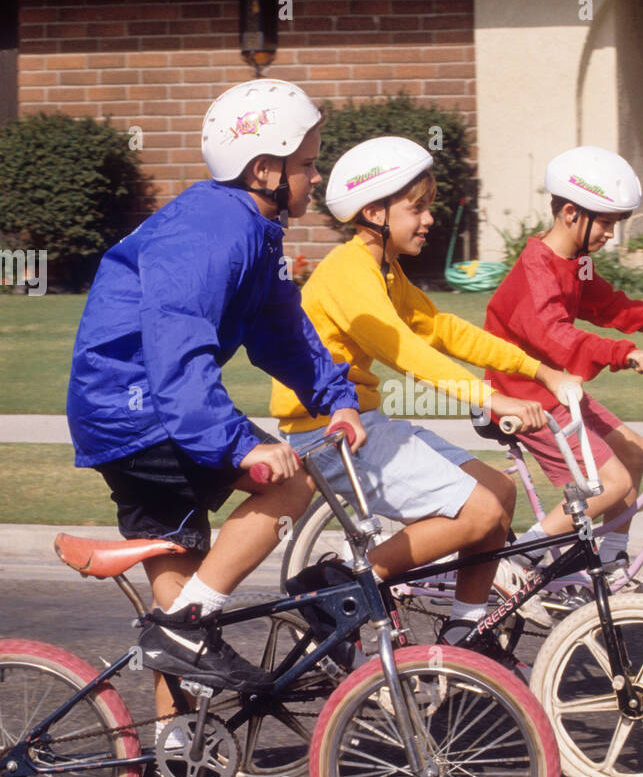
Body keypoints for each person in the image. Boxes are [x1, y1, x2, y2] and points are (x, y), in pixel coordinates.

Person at [66, 79, 366, 714]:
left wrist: (335, 395)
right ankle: (185, 630)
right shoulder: (212, 230)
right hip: (136, 410)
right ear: (265, 168)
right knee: (290, 482)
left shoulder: (254, 231)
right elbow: (178, 357)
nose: (317, 177)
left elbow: (284, 334)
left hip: (140, 410)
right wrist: (241, 446)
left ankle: (179, 760)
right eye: (308, 164)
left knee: (182, 586)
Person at [269, 135, 582, 647]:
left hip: (361, 425)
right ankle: (339, 587)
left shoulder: (384, 269)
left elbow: (440, 330)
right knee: (477, 511)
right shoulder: (349, 273)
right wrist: (490, 398)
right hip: (327, 432)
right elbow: (407, 353)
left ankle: (465, 629)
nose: (429, 219)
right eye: (417, 208)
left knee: (499, 493)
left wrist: (538, 369)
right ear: (373, 210)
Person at [484, 144, 643, 591]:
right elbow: (558, 338)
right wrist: (624, 354)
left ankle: (609, 569)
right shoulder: (537, 270)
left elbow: (610, 307)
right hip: (523, 398)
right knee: (609, 484)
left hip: (557, 391)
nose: (612, 233)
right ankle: (515, 560)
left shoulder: (574, 265)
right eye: (606, 222)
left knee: (634, 449)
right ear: (571, 213)